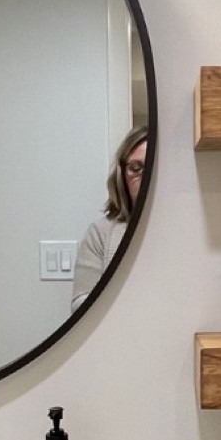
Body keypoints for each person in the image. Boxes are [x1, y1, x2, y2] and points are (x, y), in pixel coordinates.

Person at [70, 127, 147, 310]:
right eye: (136, 169)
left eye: (152, 167)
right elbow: (79, 304)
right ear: (123, 177)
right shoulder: (100, 233)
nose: (145, 176)